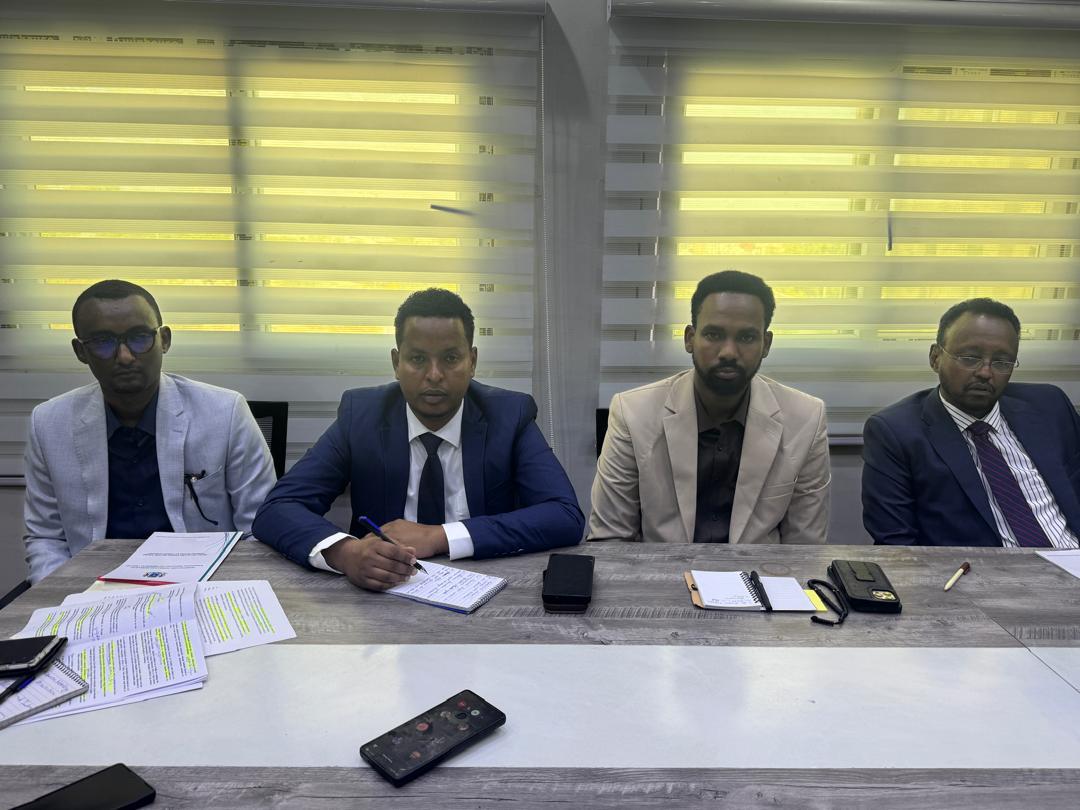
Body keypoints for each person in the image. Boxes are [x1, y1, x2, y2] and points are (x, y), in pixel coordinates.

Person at [253, 288, 584, 590]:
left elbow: (564, 515)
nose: (434, 375)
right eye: (418, 359)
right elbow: (279, 508)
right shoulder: (362, 416)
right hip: (381, 597)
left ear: (472, 362)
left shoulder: (509, 416)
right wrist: (346, 553)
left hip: (489, 592)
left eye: (450, 359)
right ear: (396, 363)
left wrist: (439, 536)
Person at [23, 280, 277, 583]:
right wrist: (60, 597)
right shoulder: (49, 423)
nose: (125, 356)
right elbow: (46, 537)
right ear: (81, 351)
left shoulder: (225, 412)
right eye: (103, 342)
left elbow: (258, 528)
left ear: (164, 340)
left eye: (139, 337)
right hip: (92, 588)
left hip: (202, 584)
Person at [588, 270, 830, 545]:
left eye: (746, 337)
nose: (728, 352)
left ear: (766, 344)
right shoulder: (633, 412)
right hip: (663, 569)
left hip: (757, 571)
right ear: (690, 338)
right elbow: (610, 540)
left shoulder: (806, 418)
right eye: (714, 334)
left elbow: (805, 548)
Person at [862, 298, 1080, 547]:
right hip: (985, 568)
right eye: (969, 357)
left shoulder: (1049, 405)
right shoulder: (896, 432)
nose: (985, 372)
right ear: (935, 358)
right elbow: (896, 543)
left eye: (1001, 362)